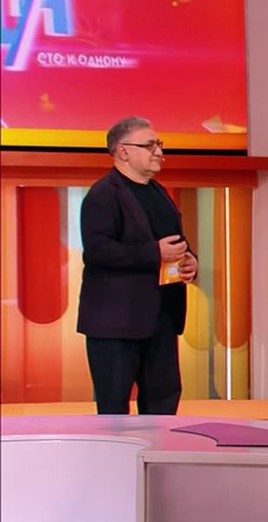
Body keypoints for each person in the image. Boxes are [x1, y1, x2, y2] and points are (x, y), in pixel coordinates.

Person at [78, 117, 197, 415]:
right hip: (117, 324)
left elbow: (173, 242)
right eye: (150, 145)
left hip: (161, 318)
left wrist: (189, 260)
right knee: (114, 408)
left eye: (159, 145)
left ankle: (157, 447)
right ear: (123, 151)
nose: (159, 152)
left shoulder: (159, 192)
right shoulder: (103, 194)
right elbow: (98, 251)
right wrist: (155, 253)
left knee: (163, 400)